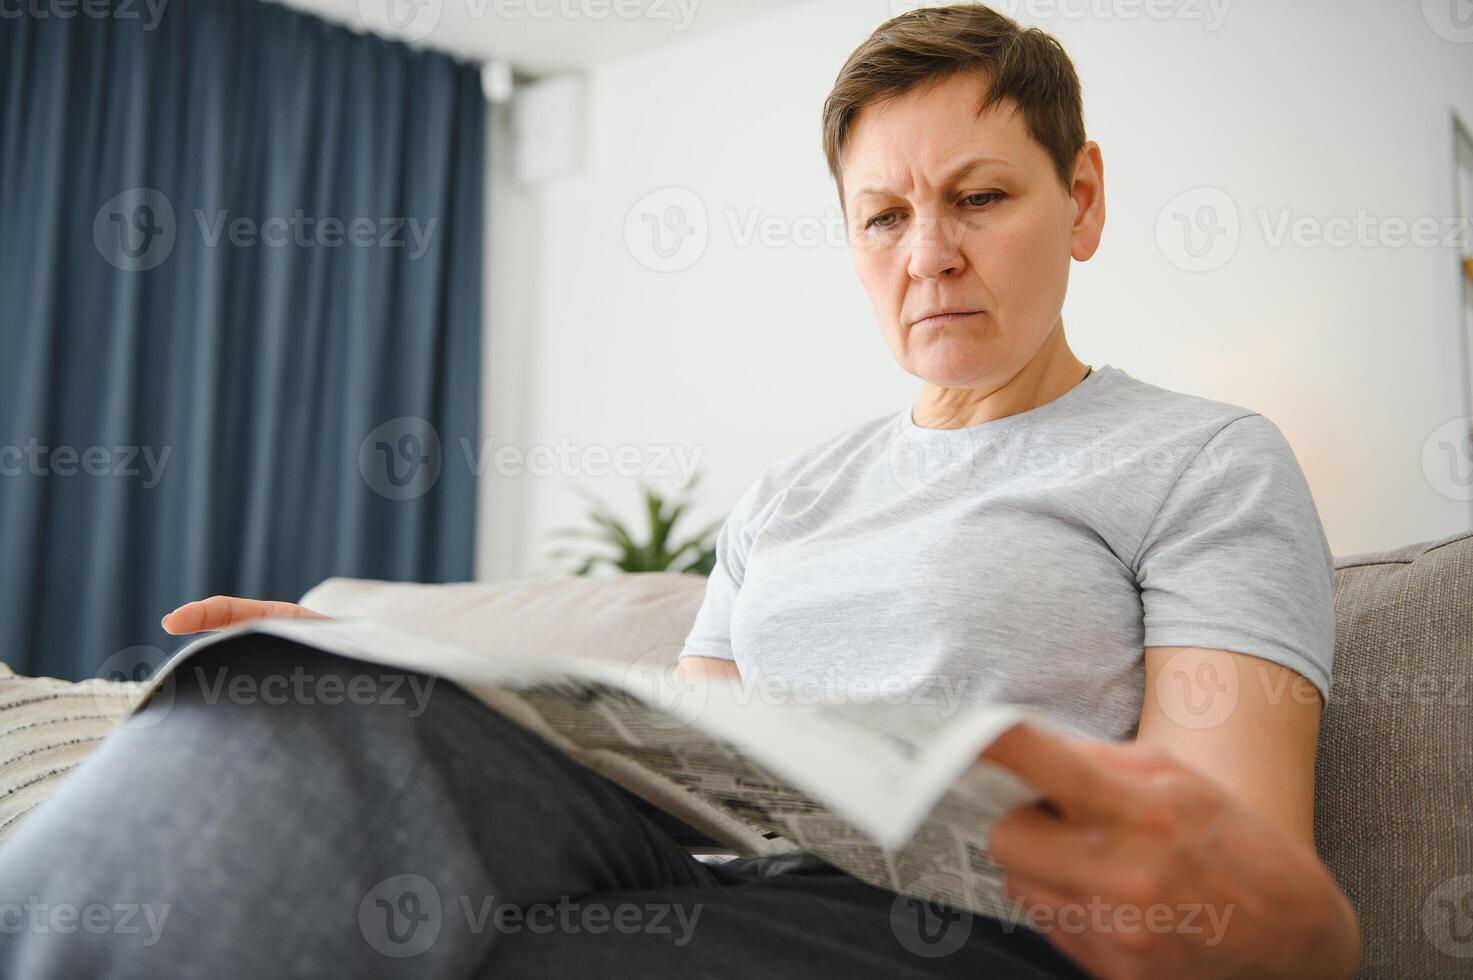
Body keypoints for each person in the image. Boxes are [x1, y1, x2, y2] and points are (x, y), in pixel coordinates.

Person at [0, 5, 1360, 977]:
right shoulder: (792, 488)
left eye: (979, 197)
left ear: (1082, 200)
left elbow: (1244, 881)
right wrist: (375, 660)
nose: (927, 253)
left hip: (975, 927)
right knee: (293, 705)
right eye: (884, 215)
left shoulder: (1199, 457)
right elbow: (681, 746)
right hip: (699, 863)